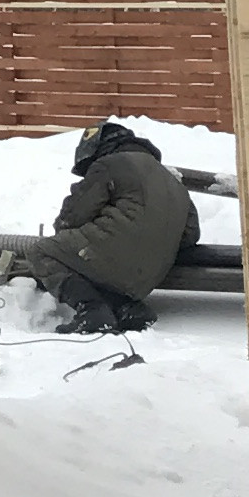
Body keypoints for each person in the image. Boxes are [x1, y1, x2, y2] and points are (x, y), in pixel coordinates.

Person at [20, 117, 193, 335]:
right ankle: (128, 308)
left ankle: (91, 310)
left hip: (113, 254)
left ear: (100, 149)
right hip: (150, 276)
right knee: (99, 262)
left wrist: (65, 239)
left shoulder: (110, 164)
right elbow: (190, 234)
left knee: (41, 251)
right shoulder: (173, 181)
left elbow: (74, 215)